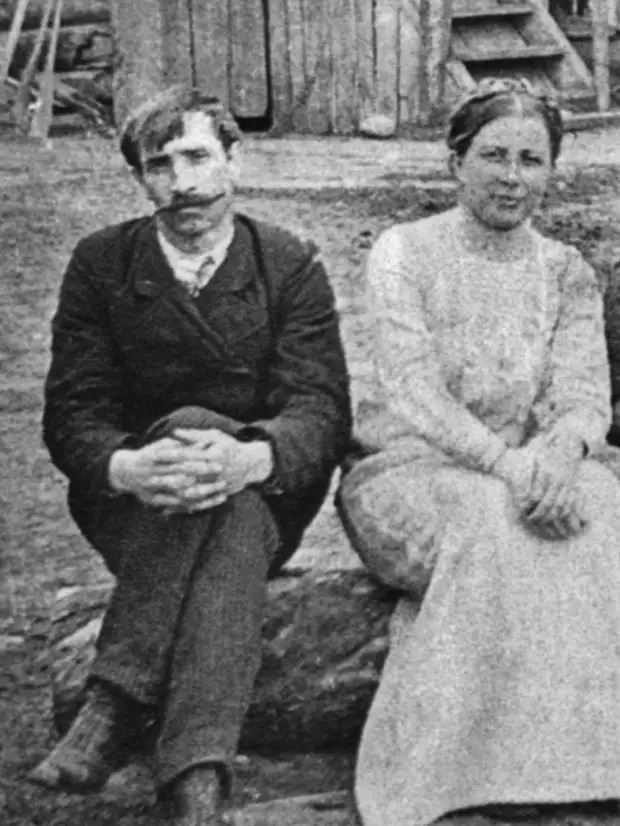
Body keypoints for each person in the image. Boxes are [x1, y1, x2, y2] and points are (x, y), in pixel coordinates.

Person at [32, 86, 351, 825]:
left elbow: (320, 410)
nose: (184, 184)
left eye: (199, 157)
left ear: (235, 160)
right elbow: (72, 412)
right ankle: (196, 775)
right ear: (139, 179)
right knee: (194, 444)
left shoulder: (288, 263)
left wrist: (248, 460)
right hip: (136, 505)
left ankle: (115, 699)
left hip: (265, 493)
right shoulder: (103, 264)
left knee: (212, 463)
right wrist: (126, 467)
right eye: (160, 166)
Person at [336, 78, 620, 826]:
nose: (511, 177)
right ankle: (472, 771)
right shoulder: (404, 253)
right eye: (493, 156)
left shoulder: (565, 269)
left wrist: (561, 455)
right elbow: (415, 392)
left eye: (531, 160)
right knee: (494, 517)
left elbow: (585, 393)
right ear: (455, 162)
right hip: (407, 470)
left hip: (526, 468)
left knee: (604, 503)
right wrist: (510, 467)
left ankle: (584, 762)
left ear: (551, 170)